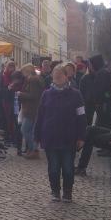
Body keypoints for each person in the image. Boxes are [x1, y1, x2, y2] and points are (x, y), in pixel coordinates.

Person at [34, 64, 87, 203]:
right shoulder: (46, 94)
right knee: (54, 168)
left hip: (69, 138)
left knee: (68, 168)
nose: (57, 77)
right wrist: (37, 135)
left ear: (66, 76)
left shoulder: (76, 94)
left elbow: (81, 116)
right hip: (50, 137)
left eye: (60, 74)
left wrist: (82, 136)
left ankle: (68, 192)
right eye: (55, 75)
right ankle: (55, 191)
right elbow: (40, 115)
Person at [17, 64, 45, 160]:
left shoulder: (32, 80)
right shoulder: (37, 79)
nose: (23, 74)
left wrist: (21, 94)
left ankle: (34, 150)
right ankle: (32, 150)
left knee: (25, 129)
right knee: (31, 130)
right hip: (33, 109)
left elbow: (33, 95)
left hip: (31, 109)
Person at [0, 61, 16, 144]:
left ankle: (11, 137)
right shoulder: (0, 77)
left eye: (13, 67)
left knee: (12, 120)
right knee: (4, 120)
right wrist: (8, 89)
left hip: (12, 101)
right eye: (10, 67)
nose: (11, 69)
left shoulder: (14, 76)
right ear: (6, 67)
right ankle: (7, 137)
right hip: (3, 102)